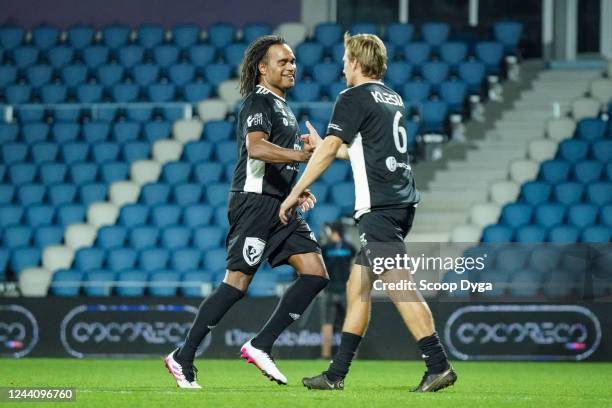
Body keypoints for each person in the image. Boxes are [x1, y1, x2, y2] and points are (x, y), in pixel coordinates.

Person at [279, 33, 457, 392]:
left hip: (380, 208)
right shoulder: (392, 97)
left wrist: (294, 192)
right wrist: (327, 147)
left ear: (357, 63)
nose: (342, 66)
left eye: (345, 59)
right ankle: (335, 374)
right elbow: (363, 152)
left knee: (399, 286)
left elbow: (331, 149)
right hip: (400, 204)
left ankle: (438, 364)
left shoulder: (353, 95)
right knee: (357, 286)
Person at [164, 35, 329, 389]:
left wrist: (297, 190)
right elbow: (256, 148)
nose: (291, 67)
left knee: (316, 274)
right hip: (253, 203)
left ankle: (261, 344)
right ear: (263, 68)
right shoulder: (258, 100)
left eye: (293, 61)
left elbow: (276, 160)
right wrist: (304, 157)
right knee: (236, 285)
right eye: (283, 62)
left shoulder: (284, 107)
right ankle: (183, 356)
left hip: (280, 204)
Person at [319, 222, 355, 359]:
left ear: (332, 231)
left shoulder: (325, 248)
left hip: (329, 290)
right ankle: (350, 355)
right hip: (345, 290)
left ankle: (325, 355)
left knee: (327, 323)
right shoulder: (350, 248)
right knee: (349, 322)